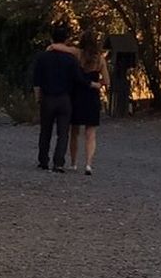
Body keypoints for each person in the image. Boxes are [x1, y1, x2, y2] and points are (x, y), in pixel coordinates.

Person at [29, 25, 87, 172]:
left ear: (51, 39)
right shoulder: (71, 59)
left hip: (48, 97)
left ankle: (43, 160)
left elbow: (36, 80)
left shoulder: (42, 58)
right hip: (64, 98)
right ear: (66, 39)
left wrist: (38, 97)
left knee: (45, 130)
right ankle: (59, 162)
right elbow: (78, 79)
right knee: (63, 132)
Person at [69, 32, 107, 175]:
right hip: (92, 97)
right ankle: (88, 164)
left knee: (74, 130)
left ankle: (73, 163)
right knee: (90, 132)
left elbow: (65, 49)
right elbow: (107, 81)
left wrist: (53, 46)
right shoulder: (100, 60)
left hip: (77, 95)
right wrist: (98, 83)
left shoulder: (77, 55)